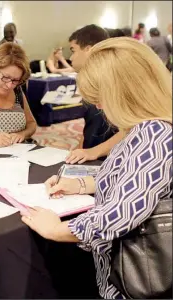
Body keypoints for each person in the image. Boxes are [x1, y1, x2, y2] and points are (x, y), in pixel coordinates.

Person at [21, 37, 172, 299]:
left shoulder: (155, 134)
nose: (99, 106)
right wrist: (79, 184)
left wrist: (56, 229)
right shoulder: (142, 129)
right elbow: (128, 178)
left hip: (133, 281)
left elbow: (122, 213)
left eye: (100, 97)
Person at [65, 24, 125, 164]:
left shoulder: (116, 81)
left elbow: (132, 128)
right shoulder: (92, 81)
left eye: (73, 50)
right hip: (91, 159)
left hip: (113, 161)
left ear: (89, 49)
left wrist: (94, 151)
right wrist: (81, 148)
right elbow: (91, 126)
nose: (71, 57)